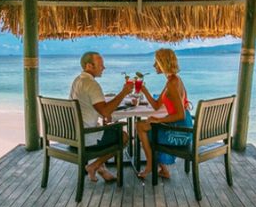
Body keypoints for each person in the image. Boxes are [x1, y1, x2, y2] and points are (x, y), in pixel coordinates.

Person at [70, 51, 133, 182]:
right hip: (85, 138)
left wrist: (104, 113)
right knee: (123, 136)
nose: (104, 68)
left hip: (72, 135)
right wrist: (124, 92)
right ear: (89, 66)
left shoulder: (78, 81)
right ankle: (94, 165)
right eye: (100, 65)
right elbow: (105, 111)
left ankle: (100, 168)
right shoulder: (92, 84)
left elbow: (90, 107)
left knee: (103, 126)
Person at [136, 48, 193, 179]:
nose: (154, 65)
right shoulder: (172, 80)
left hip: (181, 130)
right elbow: (156, 105)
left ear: (163, 63)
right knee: (144, 125)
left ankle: (150, 166)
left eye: (156, 62)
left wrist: (157, 120)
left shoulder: (172, 84)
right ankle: (162, 168)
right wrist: (144, 90)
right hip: (182, 125)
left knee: (141, 126)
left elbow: (180, 115)